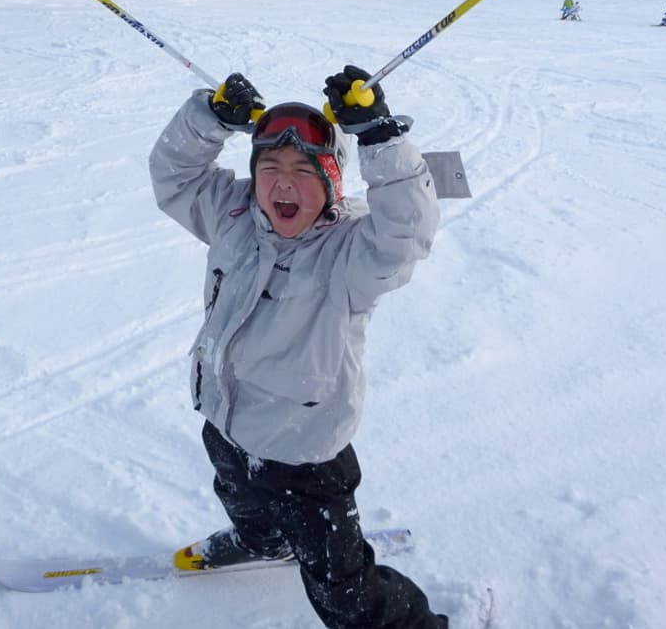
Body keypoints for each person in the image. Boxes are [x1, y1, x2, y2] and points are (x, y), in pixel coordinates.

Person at [149, 66, 445, 628]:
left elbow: (408, 229)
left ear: (332, 179)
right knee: (236, 491)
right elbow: (174, 176)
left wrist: (381, 136)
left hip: (306, 454)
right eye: (269, 168)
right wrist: (207, 120)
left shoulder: (353, 253)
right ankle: (264, 543)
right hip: (225, 416)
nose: (282, 184)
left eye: (303, 170)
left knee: (344, 594)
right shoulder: (234, 217)